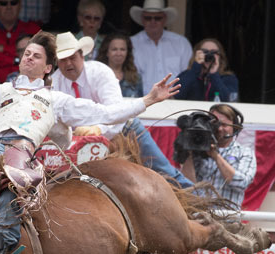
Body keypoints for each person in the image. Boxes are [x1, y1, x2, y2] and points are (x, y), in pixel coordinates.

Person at [0, 31, 180, 254]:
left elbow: (105, 113)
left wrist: (146, 101)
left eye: (37, 55)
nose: (29, 57)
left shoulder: (59, 96)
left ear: (47, 67)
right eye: (27, 53)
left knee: (15, 188)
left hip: (31, 149)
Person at [51, 32, 193, 188]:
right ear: (57, 62)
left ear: (82, 56)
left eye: (72, 58)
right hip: (79, 139)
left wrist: (98, 129)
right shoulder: (54, 81)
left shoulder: (100, 72)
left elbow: (116, 110)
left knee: (163, 170)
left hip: (124, 128)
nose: (69, 63)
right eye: (63, 60)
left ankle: (197, 201)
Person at [178, 104, 262, 254]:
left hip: (229, 223)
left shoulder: (244, 152)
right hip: (198, 220)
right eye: (215, 122)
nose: (220, 127)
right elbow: (187, 183)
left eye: (225, 123)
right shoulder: (199, 149)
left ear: (235, 128)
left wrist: (215, 155)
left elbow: (240, 181)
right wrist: (189, 152)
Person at [129, 0, 191, 95]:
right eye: (148, 18)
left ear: (164, 19)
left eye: (157, 18)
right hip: (143, 100)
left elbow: (188, 75)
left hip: (176, 100)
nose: (152, 22)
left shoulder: (181, 43)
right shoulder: (131, 43)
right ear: (142, 19)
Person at [0, 0, 40, 82]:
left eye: (13, 3)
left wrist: (4, 49)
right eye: (3, 3)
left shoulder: (33, 29)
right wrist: (16, 60)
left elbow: (39, 58)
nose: (9, 7)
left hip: (27, 85)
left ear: (20, 5)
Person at [176, 38, 239, 102]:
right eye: (205, 52)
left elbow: (230, 101)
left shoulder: (229, 78)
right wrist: (195, 68)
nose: (209, 55)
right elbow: (176, 96)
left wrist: (214, 73)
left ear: (220, 56)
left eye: (214, 52)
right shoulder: (186, 75)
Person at [97, 33, 142, 97]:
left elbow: (141, 104)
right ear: (107, 52)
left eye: (122, 49)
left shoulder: (136, 78)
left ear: (127, 52)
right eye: (114, 49)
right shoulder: (97, 77)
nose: (118, 53)